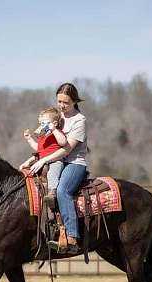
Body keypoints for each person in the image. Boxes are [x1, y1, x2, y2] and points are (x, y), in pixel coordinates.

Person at [28, 83, 88, 254]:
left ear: (74, 101)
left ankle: (71, 236)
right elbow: (45, 145)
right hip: (54, 161)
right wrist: (33, 159)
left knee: (62, 191)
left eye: (65, 102)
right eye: (59, 101)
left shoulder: (79, 121)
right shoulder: (56, 117)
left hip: (74, 162)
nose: (61, 106)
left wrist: (44, 160)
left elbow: (66, 149)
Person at [19, 107, 67, 206]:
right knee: (27, 171)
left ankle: (52, 193)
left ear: (54, 123)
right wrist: (30, 139)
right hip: (41, 160)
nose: (42, 126)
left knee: (52, 173)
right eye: (41, 124)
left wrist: (53, 129)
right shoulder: (42, 136)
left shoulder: (56, 133)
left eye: (45, 123)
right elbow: (39, 149)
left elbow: (63, 142)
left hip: (55, 161)